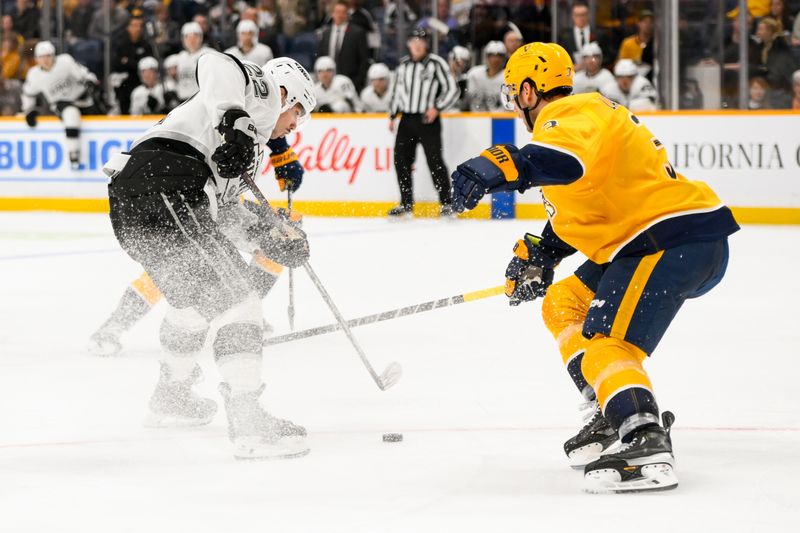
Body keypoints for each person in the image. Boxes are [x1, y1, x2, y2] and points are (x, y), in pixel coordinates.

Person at [449, 42, 739, 493]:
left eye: (512, 93)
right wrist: (541, 253)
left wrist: (507, 163)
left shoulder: (572, 113)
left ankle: (644, 436)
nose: (513, 103)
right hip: (649, 240)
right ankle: (612, 404)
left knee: (605, 342)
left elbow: (563, 162)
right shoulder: (574, 124)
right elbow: (581, 200)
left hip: (668, 238)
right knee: (562, 303)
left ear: (529, 91)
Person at [103, 52, 316, 459]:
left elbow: (225, 214)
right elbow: (214, 62)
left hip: (140, 202)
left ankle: (172, 393)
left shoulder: (244, 142)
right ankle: (249, 422)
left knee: (196, 302)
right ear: (287, 93)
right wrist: (236, 120)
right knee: (240, 301)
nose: (293, 126)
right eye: (299, 114)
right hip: (168, 184)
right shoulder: (262, 95)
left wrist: (269, 238)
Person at [387, 28, 458, 218]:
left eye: (421, 40)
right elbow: (396, 92)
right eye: (413, 40)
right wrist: (393, 115)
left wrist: (437, 107)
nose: (417, 44)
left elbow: (452, 89)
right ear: (408, 44)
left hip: (427, 119)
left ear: (426, 44)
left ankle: (446, 203)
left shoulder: (436, 63)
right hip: (407, 119)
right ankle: (406, 203)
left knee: (434, 161)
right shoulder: (402, 66)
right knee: (401, 160)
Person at [22, 42, 102, 170]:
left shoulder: (65, 61)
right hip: (61, 103)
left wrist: (91, 81)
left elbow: (83, 73)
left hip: (83, 99)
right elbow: (28, 94)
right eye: (41, 57)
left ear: (54, 55)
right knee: (71, 114)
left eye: (48, 56)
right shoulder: (34, 75)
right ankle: (73, 153)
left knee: (100, 119)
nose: (45, 60)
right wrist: (28, 110)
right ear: (36, 59)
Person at [317, 0, 369, 91]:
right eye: (337, 12)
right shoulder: (325, 33)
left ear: (347, 14)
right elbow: (321, 56)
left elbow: (363, 60)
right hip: (328, 84)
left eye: (343, 12)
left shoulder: (358, 33)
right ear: (332, 14)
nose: (340, 15)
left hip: (350, 83)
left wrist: (358, 82)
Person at [111, 16, 154, 115]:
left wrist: (127, 61)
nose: (138, 28)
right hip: (125, 84)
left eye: (140, 26)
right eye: (134, 25)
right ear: (128, 28)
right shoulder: (121, 45)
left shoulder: (146, 45)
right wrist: (136, 63)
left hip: (142, 83)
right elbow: (116, 64)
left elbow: (148, 64)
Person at [175, 22, 213, 102]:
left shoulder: (209, 54)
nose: (191, 40)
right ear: (183, 39)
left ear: (201, 37)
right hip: (182, 101)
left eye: (195, 37)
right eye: (188, 37)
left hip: (201, 100)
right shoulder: (180, 57)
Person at [466, 40, 507, 112]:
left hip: (499, 119)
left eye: (499, 56)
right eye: (492, 55)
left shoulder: (508, 76)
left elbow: (509, 106)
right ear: (486, 57)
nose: (495, 59)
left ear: (504, 58)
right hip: (475, 118)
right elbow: (466, 100)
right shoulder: (474, 74)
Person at [617, 10, 655, 80]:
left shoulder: (656, 44)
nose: (648, 25)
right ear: (639, 23)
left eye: (651, 22)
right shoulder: (628, 43)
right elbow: (619, 65)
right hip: (631, 80)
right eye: (644, 21)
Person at [447, 45, 471, 111]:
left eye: (465, 62)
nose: (462, 65)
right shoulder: (443, 77)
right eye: (458, 62)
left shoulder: (466, 79)